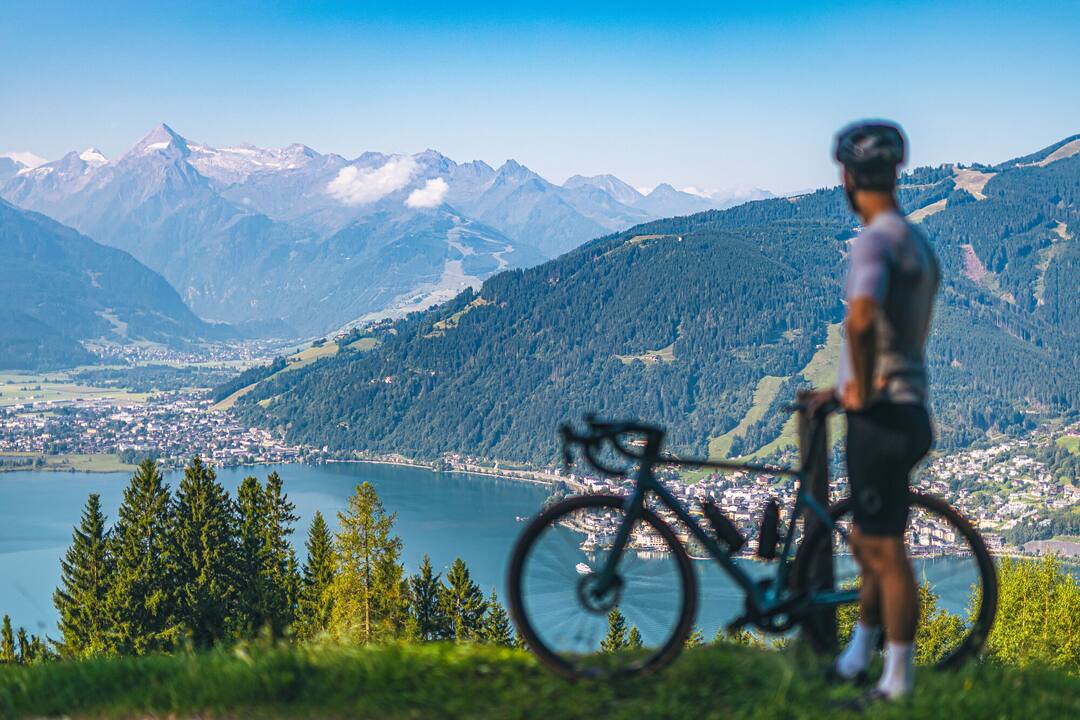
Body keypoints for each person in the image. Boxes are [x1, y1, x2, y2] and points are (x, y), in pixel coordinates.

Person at [807, 121, 940, 705]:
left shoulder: (873, 241)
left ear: (848, 177)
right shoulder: (915, 240)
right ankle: (860, 650)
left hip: (880, 418)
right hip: (909, 409)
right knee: (869, 538)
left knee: (886, 553)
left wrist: (855, 390)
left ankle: (897, 683)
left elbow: (861, 319)